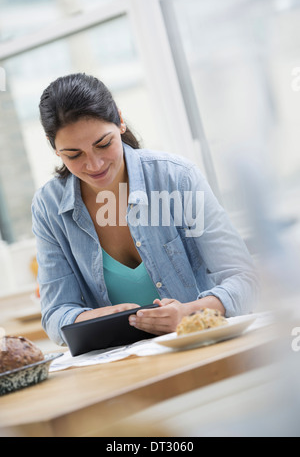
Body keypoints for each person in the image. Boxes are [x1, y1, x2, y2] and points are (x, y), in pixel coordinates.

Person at [32, 73, 258, 346]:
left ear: (120, 121)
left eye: (103, 144)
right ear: (53, 147)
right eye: (74, 155)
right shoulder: (49, 207)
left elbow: (244, 278)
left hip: (204, 346)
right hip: (125, 366)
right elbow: (56, 313)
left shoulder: (178, 178)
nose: (94, 165)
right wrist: (96, 318)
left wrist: (189, 313)